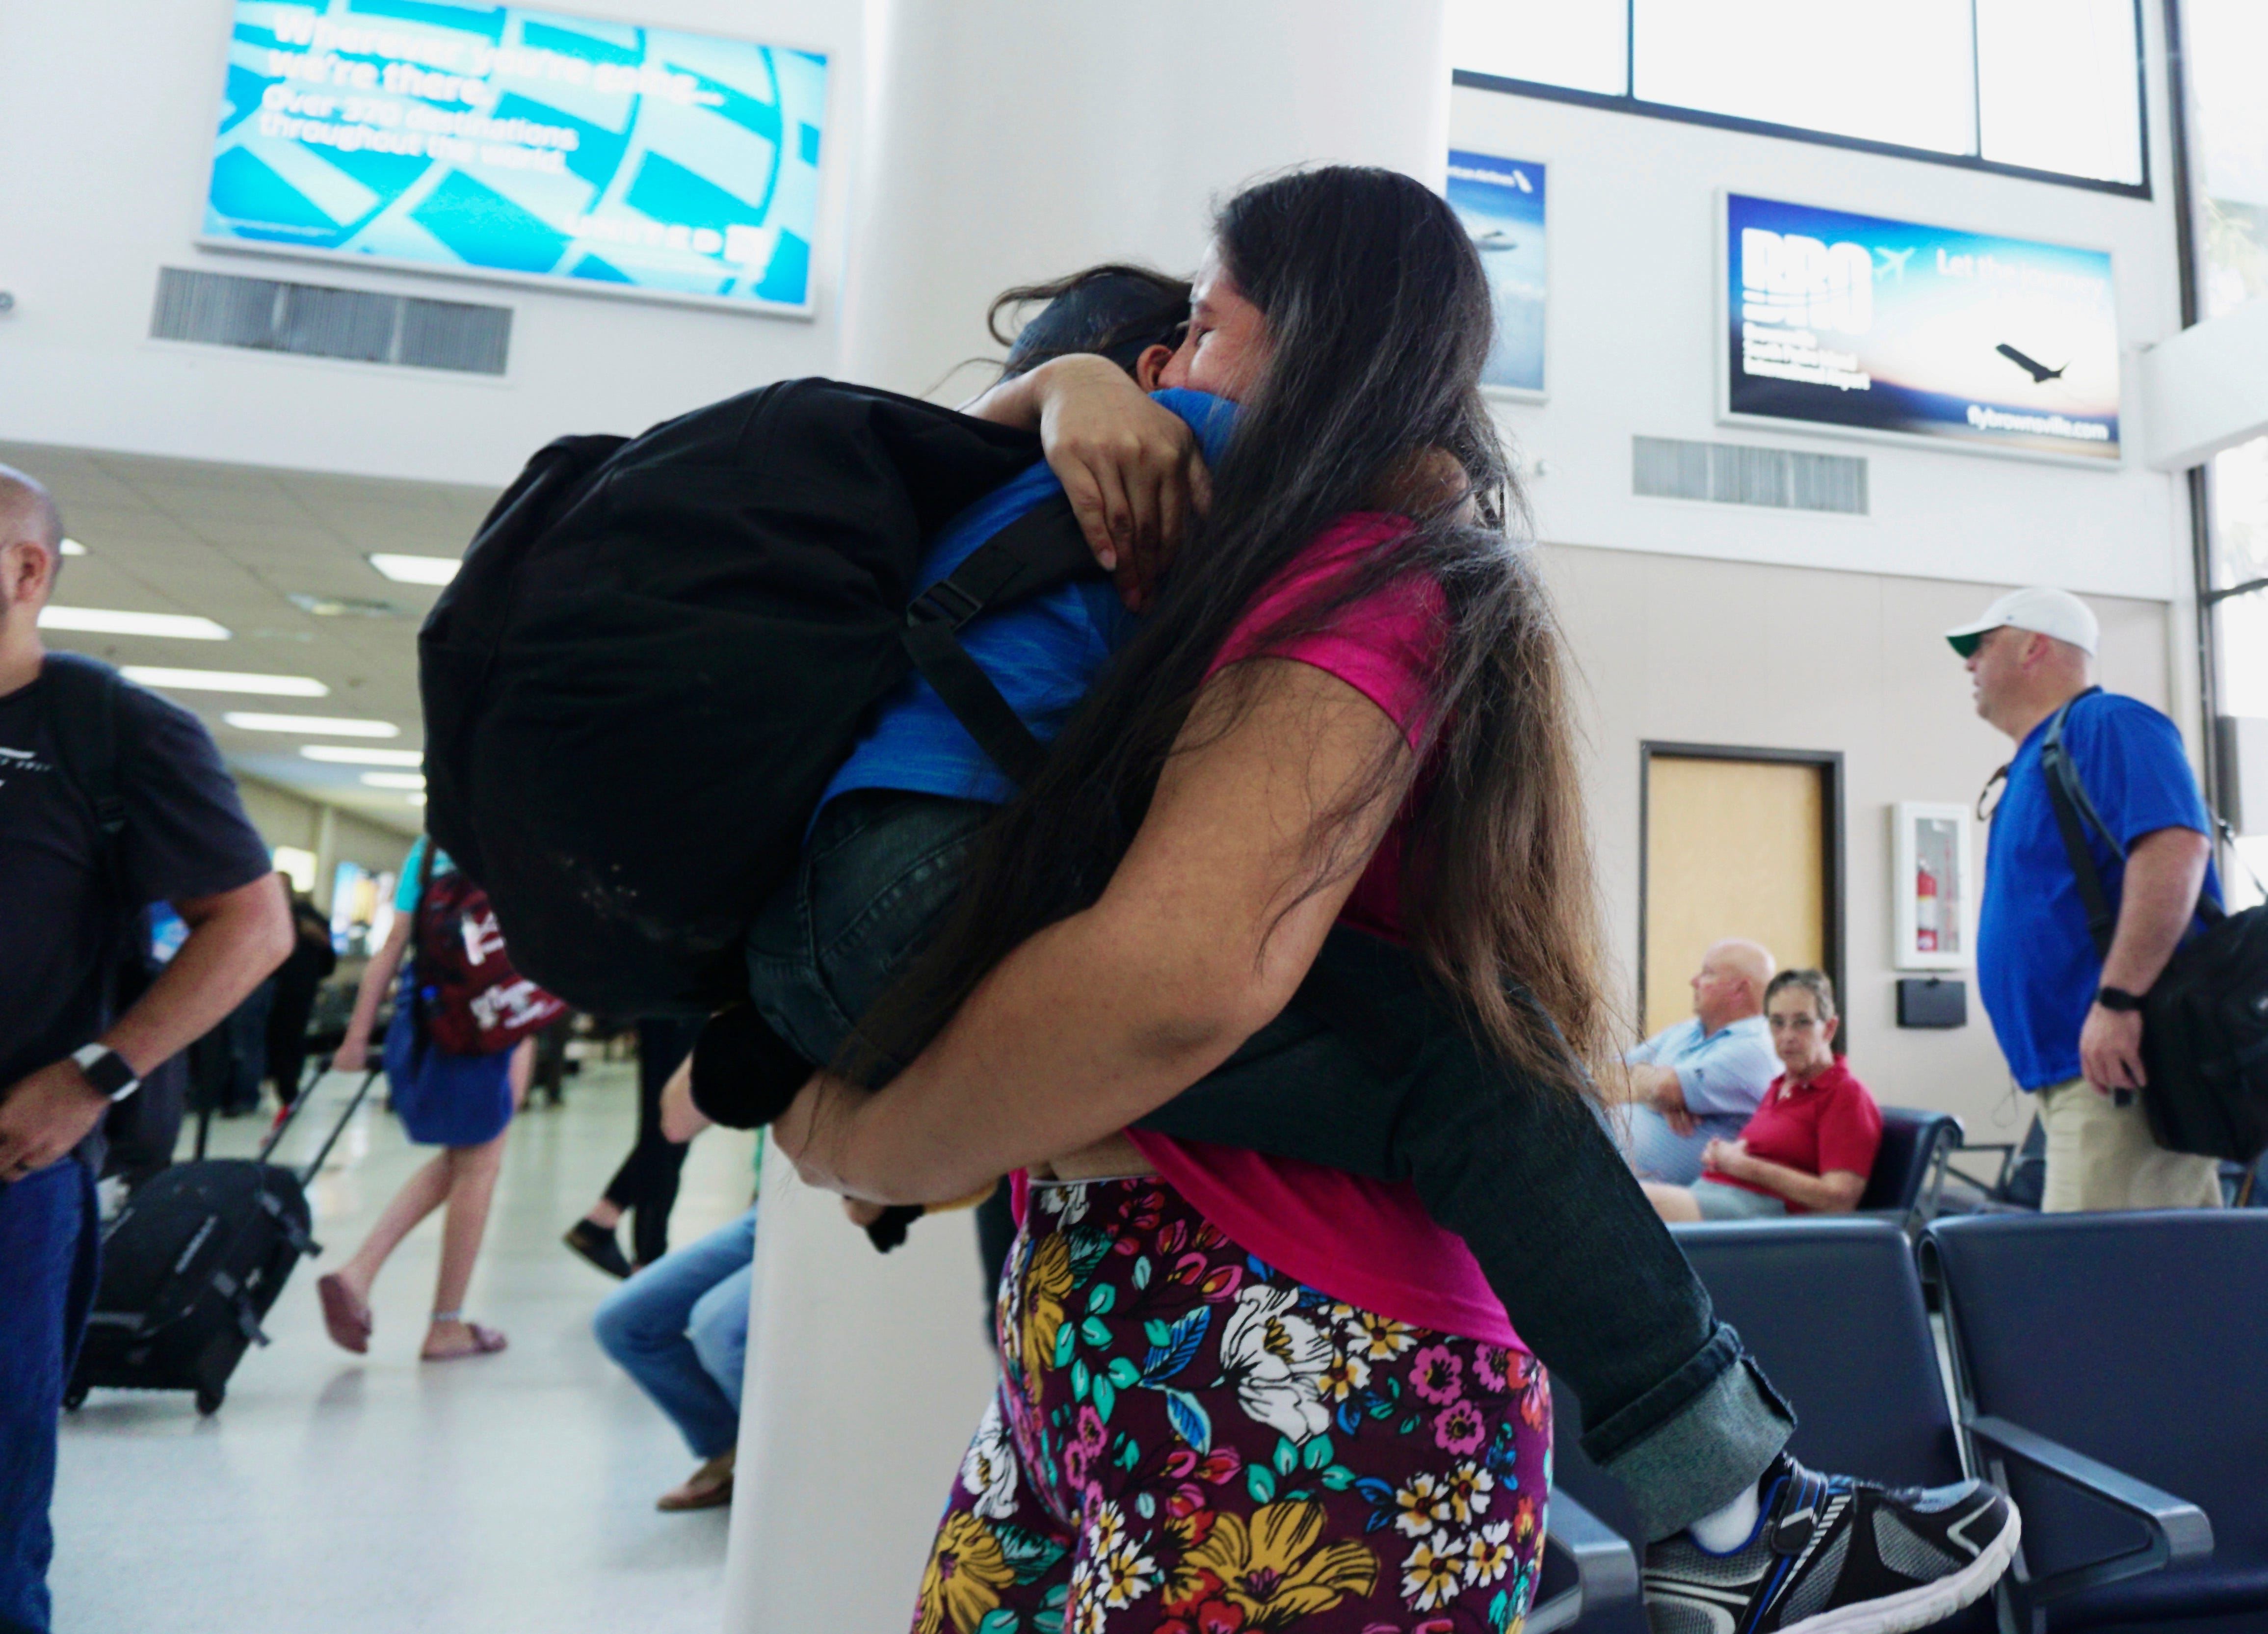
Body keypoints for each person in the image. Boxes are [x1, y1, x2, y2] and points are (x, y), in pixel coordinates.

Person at [766, 170, 2015, 1634]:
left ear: (1317, 350)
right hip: (1128, 1306)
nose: (1168, 366)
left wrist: (866, 1131)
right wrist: (1066, 385)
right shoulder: (1208, 585)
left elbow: (1177, 979)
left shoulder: (1364, 571)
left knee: (1458, 1061)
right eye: (1149, 344)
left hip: (1303, 1343)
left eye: (1199, 327)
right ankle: (1739, 1517)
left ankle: (1738, 1517)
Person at [0, 465, 291, 1634]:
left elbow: (254, 923)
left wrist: (92, 1078)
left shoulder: (106, 725)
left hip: (12, 1172)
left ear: (26, 572)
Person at [1955, 586, 2225, 1212]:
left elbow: (2175, 848)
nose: (1968, 664)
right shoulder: (2036, 759)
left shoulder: (2105, 725)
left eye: (1981, 646)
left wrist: (2118, 999)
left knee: (2103, 1292)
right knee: (2168, 1283)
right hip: (2080, 1070)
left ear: (2033, 647)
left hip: (2118, 1067)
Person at [314, 834, 535, 1360]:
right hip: (494, 1011)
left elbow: (395, 942)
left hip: (439, 1014)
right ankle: (444, 1325)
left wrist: (356, 1035)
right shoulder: (533, 826)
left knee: (469, 1157)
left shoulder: (435, 843)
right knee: (480, 1164)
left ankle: (360, 1273)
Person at [591, 1060, 756, 1512]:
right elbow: (677, 1122)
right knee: (623, 1322)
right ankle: (728, 1447)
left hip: (840, 1209)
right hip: (767, 1215)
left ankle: (773, 1476)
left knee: (721, 1330)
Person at [1645, 970, 1882, 1222]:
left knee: (1622, 1205)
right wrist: (1723, 1154)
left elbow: (1839, 1199)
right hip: (1717, 1196)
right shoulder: (1780, 1086)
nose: (1788, 1036)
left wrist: (1741, 1165)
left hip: (1759, 1221)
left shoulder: (1846, 1094)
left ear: (1829, 1029)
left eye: (1802, 1022)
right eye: (1778, 1023)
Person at [1616, 940, 1780, 1185]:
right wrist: (1652, 1095)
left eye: (1707, 974)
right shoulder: (1685, 1031)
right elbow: (1597, 1075)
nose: (1694, 982)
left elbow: (1663, 1088)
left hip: (1665, 1202)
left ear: (1739, 990)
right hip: (1607, 1167)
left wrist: (1654, 1089)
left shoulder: (1757, 1048)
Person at [566, 1016, 705, 1277]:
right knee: (671, 1126)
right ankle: (647, 1262)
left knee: (670, 1124)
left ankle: (604, 1223)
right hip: (683, 997)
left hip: (676, 997)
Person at [263, 889, 337, 1108]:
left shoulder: (305, 918)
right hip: (287, 988)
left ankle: (287, 1089)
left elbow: (326, 954)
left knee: (286, 1040)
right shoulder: (298, 917)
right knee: (283, 1040)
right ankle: (283, 1087)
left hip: (291, 989)